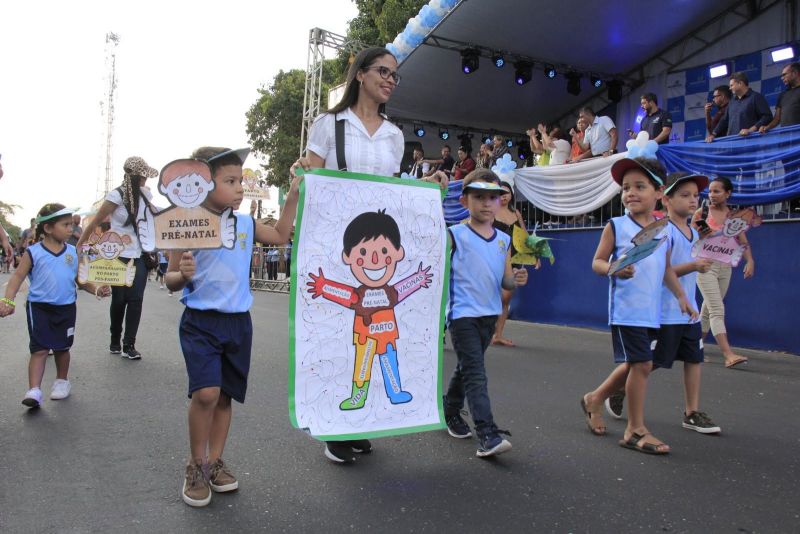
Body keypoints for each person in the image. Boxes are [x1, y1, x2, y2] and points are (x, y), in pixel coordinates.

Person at [166, 146, 301, 507]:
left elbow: (281, 235)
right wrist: (182, 274)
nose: (240, 188)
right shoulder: (185, 222)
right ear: (203, 185)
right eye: (230, 181)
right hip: (200, 322)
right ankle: (195, 465)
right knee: (206, 393)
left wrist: (295, 194)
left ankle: (214, 462)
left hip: (239, 323)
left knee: (225, 396)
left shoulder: (245, 223)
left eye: (240, 180)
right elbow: (169, 279)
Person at [291, 46, 404, 463]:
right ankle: (333, 426)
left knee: (374, 333)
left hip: (375, 249)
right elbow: (310, 175)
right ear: (360, 74)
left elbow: (395, 191)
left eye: (395, 75)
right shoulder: (328, 123)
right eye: (383, 71)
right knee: (341, 335)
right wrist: (299, 174)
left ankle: (360, 421)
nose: (390, 80)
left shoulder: (394, 134)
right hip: (337, 242)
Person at [581, 157, 696, 455]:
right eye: (626, 187)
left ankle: (594, 399)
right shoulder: (615, 226)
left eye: (639, 187)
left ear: (659, 193)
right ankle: (635, 429)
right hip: (625, 310)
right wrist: (613, 269)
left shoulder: (665, 230)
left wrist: (683, 297)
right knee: (643, 364)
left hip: (652, 312)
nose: (630, 193)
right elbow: (597, 261)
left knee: (636, 364)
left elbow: (667, 269)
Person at [604, 172, 722, 435]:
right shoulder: (661, 231)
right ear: (665, 198)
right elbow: (661, 272)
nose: (692, 200)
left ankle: (691, 412)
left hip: (687, 309)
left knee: (694, 359)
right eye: (684, 195)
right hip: (664, 312)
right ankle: (613, 391)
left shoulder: (693, 232)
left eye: (695, 196)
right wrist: (692, 267)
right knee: (647, 363)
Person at [443, 169, 528, 457]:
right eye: (478, 196)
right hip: (462, 316)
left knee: (467, 367)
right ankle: (487, 434)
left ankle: (450, 408)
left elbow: (504, 280)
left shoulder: (503, 240)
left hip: (489, 316)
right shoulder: (453, 235)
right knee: (476, 374)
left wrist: (515, 278)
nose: (486, 203)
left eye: (493, 197)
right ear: (464, 200)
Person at [0, 203, 110, 408]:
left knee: (62, 348)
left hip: (66, 308)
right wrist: (7, 300)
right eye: (65, 224)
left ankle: (62, 381)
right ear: (48, 228)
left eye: (71, 224)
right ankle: (34, 390)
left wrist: (96, 289)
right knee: (39, 350)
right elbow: (17, 277)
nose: (71, 229)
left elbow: (81, 280)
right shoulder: (33, 252)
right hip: (39, 308)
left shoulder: (72, 252)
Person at [77, 156, 159, 360]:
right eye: (143, 176)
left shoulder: (146, 196)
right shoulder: (116, 195)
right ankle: (115, 338)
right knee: (120, 300)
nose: (145, 181)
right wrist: (79, 246)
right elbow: (96, 221)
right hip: (117, 255)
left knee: (136, 299)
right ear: (135, 176)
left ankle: (129, 344)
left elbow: (155, 221)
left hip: (139, 255)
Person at [690, 177, 754, 368]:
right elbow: (690, 237)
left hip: (725, 267)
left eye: (717, 191)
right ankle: (728, 354)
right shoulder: (702, 212)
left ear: (728, 193)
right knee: (717, 309)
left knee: (709, 311)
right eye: (710, 191)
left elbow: (743, 241)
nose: (712, 195)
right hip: (704, 266)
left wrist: (750, 260)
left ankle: (694, 348)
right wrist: (702, 230)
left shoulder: (733, 217)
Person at [491, 181, 537, 346]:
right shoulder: (491, 211)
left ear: (511, 195)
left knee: (506, 298)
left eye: (506, 192)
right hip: (495, 258)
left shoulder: (516, 212)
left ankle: (498, 334)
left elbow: (525, 236)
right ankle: (488, 331)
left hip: (514, 259)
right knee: (492, 296)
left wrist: (534, 256)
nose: (503, 196)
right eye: (500, 192)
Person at [706, 72, 772, 141]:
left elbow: (767, 116)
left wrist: (751, 130)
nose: (730, 88)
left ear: (740, 83)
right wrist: (713, 134)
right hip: (732, 143)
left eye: (731, 85)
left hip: (750, 142)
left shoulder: (756, 97)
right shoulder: (732, 101)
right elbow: (724, 120)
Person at [761, 62, 800, 132]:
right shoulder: (782, 95)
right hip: (786, 138)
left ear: (795, 73)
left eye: (784, 75)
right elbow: (777, 119)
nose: (782, 78)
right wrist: (767, 127)